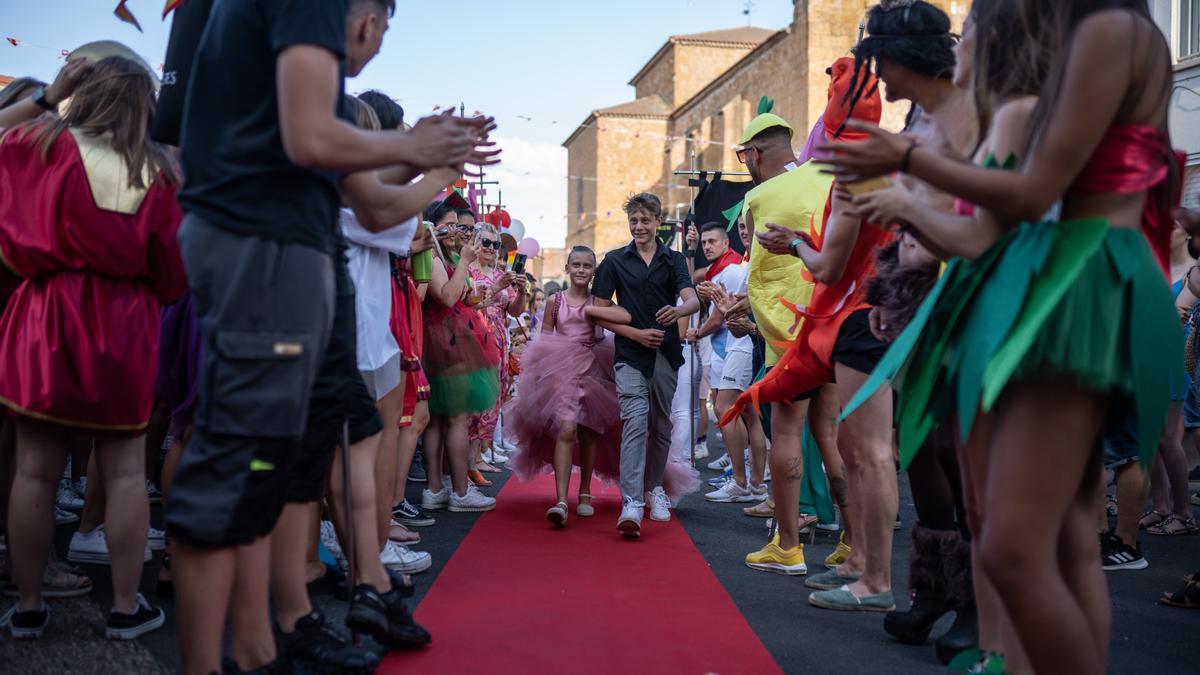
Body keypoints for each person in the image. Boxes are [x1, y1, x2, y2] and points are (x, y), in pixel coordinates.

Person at [822, 1, 1182, 671]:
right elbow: (985, 227)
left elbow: (1029, 195)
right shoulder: (1047, 82)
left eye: (977, 27)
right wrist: (903, 210)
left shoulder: (1106, 34)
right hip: (1052, 284)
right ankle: (1007, 656)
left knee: (1015, 546)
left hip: (1070, 289)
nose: (964, 41)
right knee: (1046, 539)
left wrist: (905, 168)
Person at [165, 0, 496, 671]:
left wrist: (432, 165)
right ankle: (212, 660)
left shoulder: (305, 72)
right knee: (239, 460)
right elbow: (309, 137)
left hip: (289, 258)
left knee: (274, 461)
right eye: (384, 31)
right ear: (368, 21)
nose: (373, 47)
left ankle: (266, 640)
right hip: (262, 252)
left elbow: (370, 201)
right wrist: (416, 146)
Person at [0, 55, 183, 640]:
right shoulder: (157, 171)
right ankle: (127, 608)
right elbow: (173, 272)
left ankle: (29, 606)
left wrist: (49, 97)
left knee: (33, 471)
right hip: (124, 320)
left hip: (46, 313)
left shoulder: (39, 146)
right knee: (127, 471)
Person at [736, 58, 896, 614]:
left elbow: (776, 270)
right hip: (848, 324)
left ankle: (789, 545)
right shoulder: (865, 171)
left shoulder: (764, 198)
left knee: (793, 432)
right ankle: (854, 546)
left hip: (800, 329)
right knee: (841, 440)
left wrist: (787, 258)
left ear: (757, 155)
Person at [591, 193, 701, 537]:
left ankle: (655, 489)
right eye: (633, 221)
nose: (638, 226)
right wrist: (635, 334)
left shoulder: (674, 260)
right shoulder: (613, 261)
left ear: (658, 221)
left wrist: (680, 311)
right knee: (635, 423)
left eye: (644, 220)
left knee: (661, 424)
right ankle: (632, 501)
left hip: (666, 353)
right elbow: (598, 310)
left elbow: (692, 298)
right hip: (629, 354)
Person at [505, 246, 633, 525]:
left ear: (594, 272)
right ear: (567, 267)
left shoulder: (598, 303)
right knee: (565, 428)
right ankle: (561, 499)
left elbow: (625, 315)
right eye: (576, 265)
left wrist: (602, 311)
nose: (581, 270)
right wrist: (539, 373)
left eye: (587, 266)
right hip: (561, 371)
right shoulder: (555, 300)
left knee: (590, 433)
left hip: (593, 367)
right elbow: (545, 338)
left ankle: (585, 491)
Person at [421, 202, 502, 514]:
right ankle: (458, 491)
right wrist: (466, 262)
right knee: (454, 417)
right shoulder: (432, 254)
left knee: (441, 419)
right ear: (434, 226)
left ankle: (436, 489)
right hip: (444, 341)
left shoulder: (450, 255)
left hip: (454, 339)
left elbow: (465, 297)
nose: (459, 231)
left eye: (463, 226)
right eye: (452, 225)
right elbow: (446, 296)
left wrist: (481, 292)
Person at [694, 223, 767, 504]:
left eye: (713, 241)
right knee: (748, 413)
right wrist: (726, 308)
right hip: (743, 345)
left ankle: (740, 481)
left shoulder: (738, 268)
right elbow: (733, 317)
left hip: (745, 347)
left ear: (725, 244)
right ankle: (755, 484)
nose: (745, 230)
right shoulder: (746, 264)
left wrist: (724, 310)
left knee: (725, 408)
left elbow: (736, 318)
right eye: (741, 226)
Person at [467, 222, 528, 482]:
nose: (492, 249)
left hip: (499, 342)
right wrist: (498, 287)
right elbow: (471, 305)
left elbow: (514, 311)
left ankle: (476, 459)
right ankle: (468, 464)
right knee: (474, 402)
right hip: (474, 339)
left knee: (494, 399)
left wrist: (521, 290)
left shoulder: (500, 272)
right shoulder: (468, 271)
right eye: (487, 243)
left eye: (495, 245)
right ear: (475, 244)